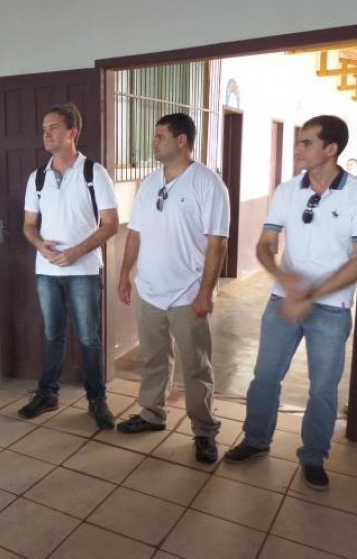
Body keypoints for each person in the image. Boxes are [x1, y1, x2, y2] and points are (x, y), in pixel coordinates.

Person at [225, 115, 357, 490]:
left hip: (332, 309)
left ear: (331, 149)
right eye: (298, 141)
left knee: (323, 388)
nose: (297, 149)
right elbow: (265, 245)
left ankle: (313, 456)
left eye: (306, 142)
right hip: (283, 302)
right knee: (265, 377)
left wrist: (308, 294)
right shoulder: (287, 190)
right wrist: (284, 280)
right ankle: (256, 439)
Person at [117, 113, 230, 464]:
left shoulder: (208, 184)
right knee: (153, 358)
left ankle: (204, 431)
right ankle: (152, 413)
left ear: (182, 141)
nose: (153, 142)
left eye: (160, 136)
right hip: (150, 290)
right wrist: (125, 273)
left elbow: (218, 243)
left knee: (196, 366)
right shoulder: (150, 183)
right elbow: (135, 233)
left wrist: (205, 293)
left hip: (188, 293)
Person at [19, 102, 119, 430]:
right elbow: (28, 226)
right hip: (47, 272)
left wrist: (77, 252)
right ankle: (48, 394)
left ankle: (96, 400)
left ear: (72, 132)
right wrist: (39, 245)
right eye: (44, 129)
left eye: (53, 128)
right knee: (52, 335)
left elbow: (111, 224)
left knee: (89, 338)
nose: (46, 134)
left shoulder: (94, 173)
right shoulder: (37, 178)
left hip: (84, 271)